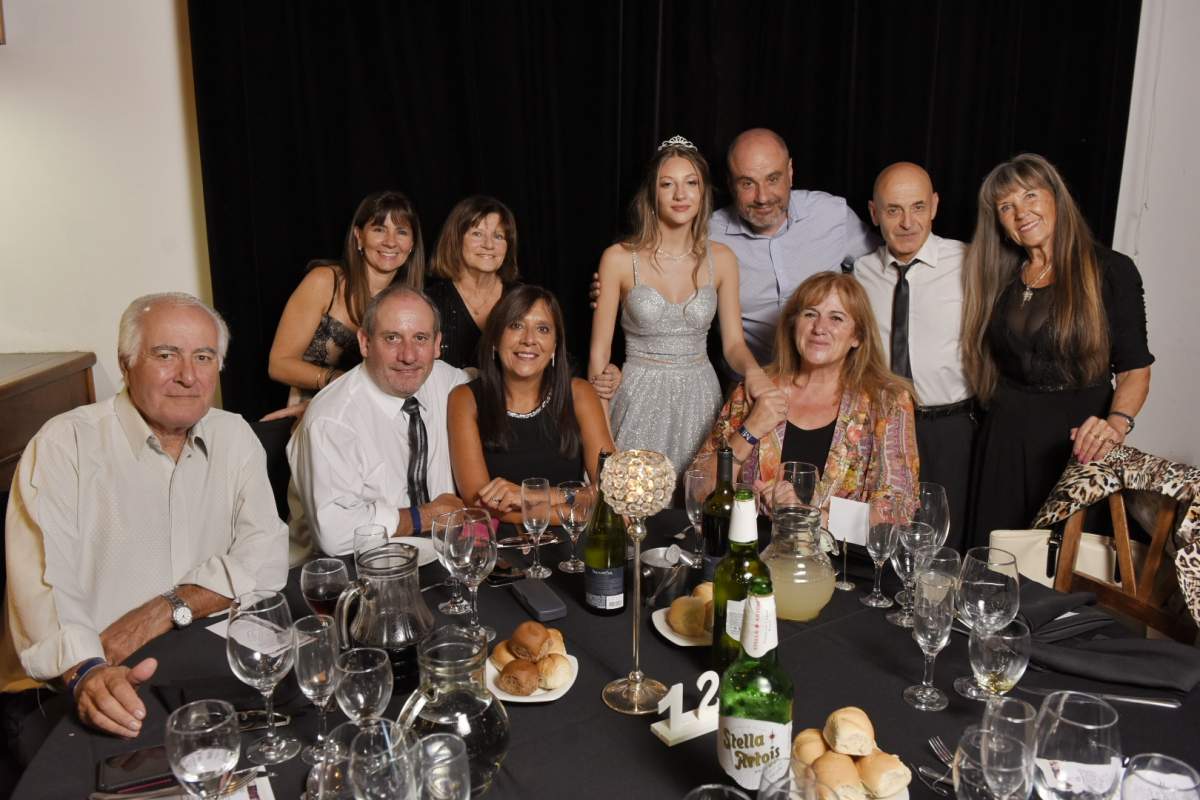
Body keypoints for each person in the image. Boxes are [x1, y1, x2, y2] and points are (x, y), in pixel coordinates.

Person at [1, 293, 288, 750]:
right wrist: (88, 670)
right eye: (166, 355)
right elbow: (45, 591)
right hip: (79, 686)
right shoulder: (64, 445)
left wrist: (165, 609)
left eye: (203, 357)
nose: (188, 376)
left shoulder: (234, 435)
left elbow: (267, 557)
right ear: (126, 362)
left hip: (191, 668)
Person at [961, 153, 1153, 547]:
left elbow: (1135, 368)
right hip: (1004, 442)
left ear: (1056, 198)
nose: (1021, 213)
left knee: (1063, 568)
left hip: (1076, 445)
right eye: (1006, 206)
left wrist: (1115, 425)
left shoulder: (1110, 270)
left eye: (1030, 195)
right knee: (994, 563)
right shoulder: (1000, 277)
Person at [590, 128, 877, 368]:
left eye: (773, 179)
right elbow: (657, 267)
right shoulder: (706, 234)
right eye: (747, 183)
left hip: (831, 381)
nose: (762, 197)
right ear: (730, 183)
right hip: (751, 382)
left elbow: (885, 268)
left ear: (790, 172)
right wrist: (614, 290)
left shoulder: (831, 214)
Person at [589, 135, 770, 476]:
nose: (680, 194)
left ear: (703, 193)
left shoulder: (723, 259)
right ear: (652, 193)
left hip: (700, 396)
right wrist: (602, 442)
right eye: (667, 184)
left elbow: (733, 344)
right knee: (630, 495)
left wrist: (754, 372)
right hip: (637, 395)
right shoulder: (618, 259)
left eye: (691, 183)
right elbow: (599, 357)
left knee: (699, 496)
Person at [694, 272, 919, 511]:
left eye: (836, 318)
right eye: (810, 314)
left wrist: (806, 515)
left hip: (834, 538)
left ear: (857, 337)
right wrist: (750, 430)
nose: (819, 328)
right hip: (752, 535)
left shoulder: (888, 402)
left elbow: (900, 507)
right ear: (794, 324)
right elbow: (698, 492)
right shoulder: (754, 390)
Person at [287, 284, 467, 558]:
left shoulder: (445, 381)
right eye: (392, 338)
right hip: (343, 569)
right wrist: (423, 517)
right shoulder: (331, 420)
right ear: (365, 342)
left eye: (420, 338)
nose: (408, 356)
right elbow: (334, 534)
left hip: (439, 560)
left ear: (436, 344)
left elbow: (501, 388)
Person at [853, 162, 973, 550]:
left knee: (944, 541)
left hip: (948, 428)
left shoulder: (969, 264)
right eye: (893, 210)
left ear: (934, 205)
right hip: (882, 426)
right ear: (874, 213)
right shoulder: (860, 273)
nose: (907, 222)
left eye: (918, 207)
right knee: (881, 537)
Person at [449, 285, 614, 522]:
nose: (529, 339)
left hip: (573, 539)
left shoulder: (579, 393)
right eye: (516, 325)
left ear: (555, 346)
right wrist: (575, 512)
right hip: (505, 540)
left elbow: (612, 486)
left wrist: (528, 495)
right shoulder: (465, 399)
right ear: (495, 338)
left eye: (543, 329)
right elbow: (478, 503)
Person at [267, 190, 426, 408]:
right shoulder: (324, 281)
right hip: (313, 410)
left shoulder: (412, 303)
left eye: (401, 232)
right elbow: (278, 365)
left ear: (412, 243)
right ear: (359, 236)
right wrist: (339, 380)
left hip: (377, 413)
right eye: (379, 229)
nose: (391, 242)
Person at [425, 196, 521, 371]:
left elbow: (558, 360)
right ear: (456, 239)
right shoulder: (428, 303)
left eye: (498, 236)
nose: (489, 245)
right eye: (477, 234)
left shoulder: (524, 300)